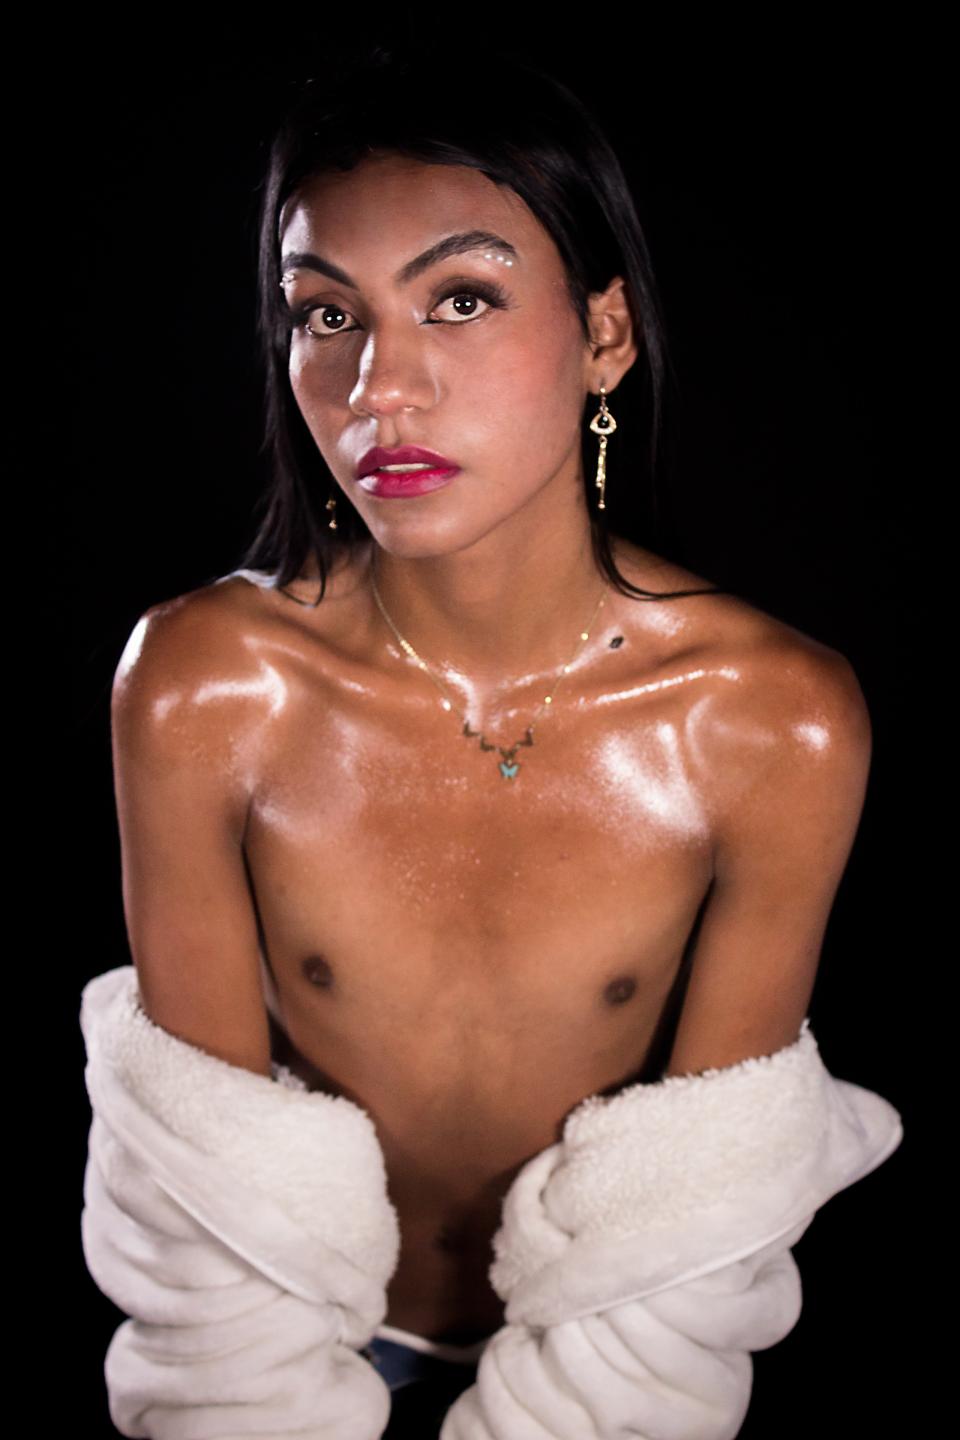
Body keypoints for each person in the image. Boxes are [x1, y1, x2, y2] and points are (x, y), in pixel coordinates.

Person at [80, 42, 902, 1440]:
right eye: (325, 314)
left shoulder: (771, 725)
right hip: (289, 1353)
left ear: (606, 336)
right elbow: (205, 1192)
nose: (378, 387)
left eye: (460, 299)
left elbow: (702, 1203)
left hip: (620, 1368)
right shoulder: (206, 690)